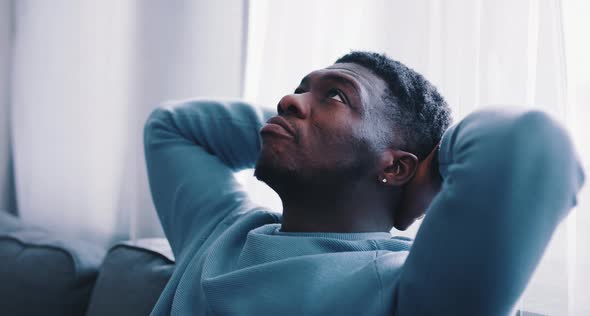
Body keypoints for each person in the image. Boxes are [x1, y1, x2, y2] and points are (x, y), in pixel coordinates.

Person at [144, 51, 585, 315]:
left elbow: (531, 143)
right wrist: (285, 128)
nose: (286, 100)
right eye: (299, 89)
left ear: (395, 169)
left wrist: (431, 172)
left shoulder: (408, 290)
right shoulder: (221, 230)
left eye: (335, 95)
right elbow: (173, 125)